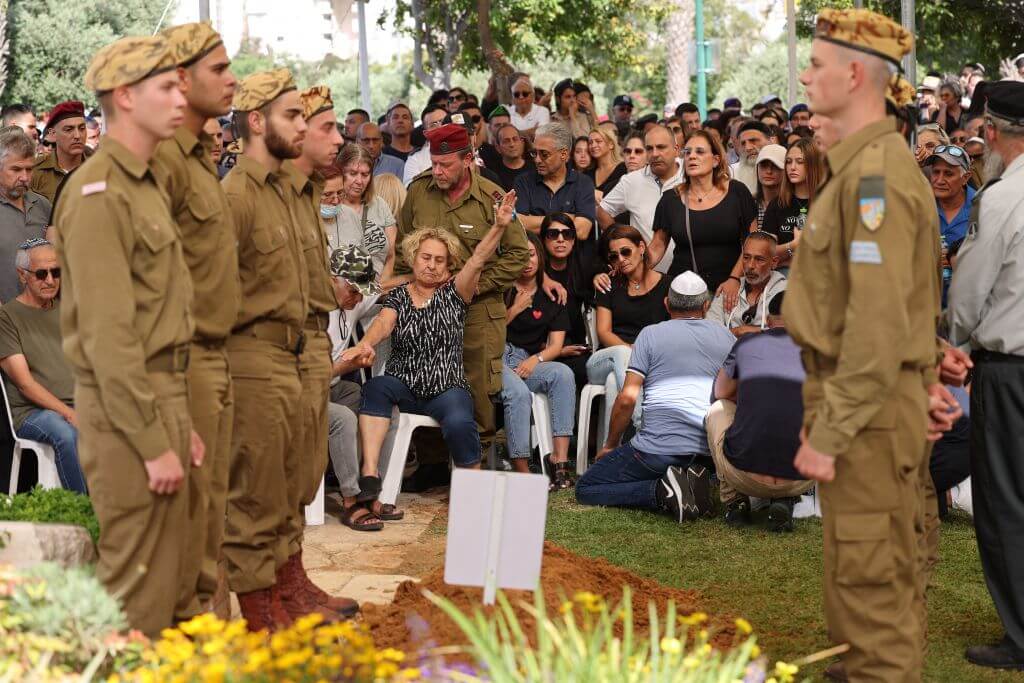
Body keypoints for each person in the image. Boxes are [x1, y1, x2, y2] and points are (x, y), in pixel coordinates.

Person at [787, 10, 953, 680]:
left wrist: (830, 431)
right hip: (879, 405)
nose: (806, 74)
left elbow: (876, 323)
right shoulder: (864, 170)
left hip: (867, 414)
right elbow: (906, 303)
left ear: (854, 75)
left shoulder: (875, 177)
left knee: (873, 613)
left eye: (818, 65)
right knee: (865, 598)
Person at [53, 34, 199, 638]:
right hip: (123, 412)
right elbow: (109, 337)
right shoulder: (97, 193)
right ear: (124, 96)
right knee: (134, 594)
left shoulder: (142, 184)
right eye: (165, 87)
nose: (179, 98)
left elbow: (153, 318)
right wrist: (149, 438)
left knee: (169, 585)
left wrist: (178, 422)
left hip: (158, 394)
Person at [221, 69, 330, 631]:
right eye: (293, 115)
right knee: (256, 492)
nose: (303, 125)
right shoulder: (236, 197)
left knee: (288, 480)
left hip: (289, 350)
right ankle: (262, 616)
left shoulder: (281, 193)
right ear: (258, 121)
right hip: (250, 356)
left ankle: (287, 592)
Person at [150, 22, 241, 622]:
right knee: (184, 531)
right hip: (179, 366)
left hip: (214, 356)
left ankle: (212, 636)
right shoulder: (161, 163)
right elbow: (144, 296)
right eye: (219, 69)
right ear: (181, 80)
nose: (233, 80)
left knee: (213, 519)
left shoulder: (196, 160)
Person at [343, 196, 517, 502]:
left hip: (445, 386)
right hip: (404, 383)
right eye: (426, 258)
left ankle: (470, 493)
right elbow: (384, 323)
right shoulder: (398, 295)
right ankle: (370, 474)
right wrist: (366, 343)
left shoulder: (455, 292)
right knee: (375, 388)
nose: (432, 265)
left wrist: (499, 227)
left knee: (462, 421)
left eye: (439, 260)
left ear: (449, 266)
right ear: (413, 258)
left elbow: (477, 259)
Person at [393, 123, 529, 464]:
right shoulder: (419, 192)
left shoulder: (491, 198)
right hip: (425, 310)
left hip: (477, 312)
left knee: (479, 389)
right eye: (434, 163)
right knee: (423, 382)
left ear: (468, 159)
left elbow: (518, 254)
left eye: (446, 165)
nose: (437, 171)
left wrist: (475, 286)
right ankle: (433, 465)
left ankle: (474, 468)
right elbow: (401, 250)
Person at [948, 80, 1024, 672]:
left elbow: (969, 295)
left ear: (993, 134)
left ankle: (1021, 633)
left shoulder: (1000, 197)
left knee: (1005, 502)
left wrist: (950, 345)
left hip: (1010, 371)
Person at [281, 83, 357, 621]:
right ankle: (272, 597)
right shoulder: (251, 193)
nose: (340, 138)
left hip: (310, 347)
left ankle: (293, 582)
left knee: (302, 480)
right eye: (327, 128)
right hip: (273, 356)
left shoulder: (308, 194)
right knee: (274, 487)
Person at [575, 271, 734, 521]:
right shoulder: (726, 336)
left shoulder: (650, 335)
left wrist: (610, 445)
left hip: (656, 452)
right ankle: (693, 481)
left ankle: (662, 491)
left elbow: (627, 399)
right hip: (707, 453)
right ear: (705, 306)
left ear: (667, 304)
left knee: (586, 488)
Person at [706, 291, 812, 531]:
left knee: (717, 409)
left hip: (744, 475)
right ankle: (785, 499)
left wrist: (750, 395)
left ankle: (735, 503)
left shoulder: (746, 343)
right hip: (803, 478)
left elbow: (720, 392)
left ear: (767, 317)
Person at [0, 239, 82, 493]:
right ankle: (82, 512)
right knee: (67, 434)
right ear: (22, 275)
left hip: (76, 403)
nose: (50, 280)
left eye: (56, 272)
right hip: (32, 412)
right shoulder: (7, 317)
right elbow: (25, 385)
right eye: (41, 273)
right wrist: (69, 414)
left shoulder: (67, 311)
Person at [501, 233, 576, 486]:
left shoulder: (553, 294)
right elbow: (487, 333)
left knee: (563, 374)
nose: (527, 261)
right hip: (497, 357)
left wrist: (537, 358)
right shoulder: (501, 287)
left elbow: (556, 345)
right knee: (518, 394)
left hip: (527, 359)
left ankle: (560, 461)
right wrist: (515, 309)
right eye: (520, 254)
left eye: (531, 254)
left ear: (539, 256)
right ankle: (521, 468)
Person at [650, 129, 758, 292]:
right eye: (687, 152)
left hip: (728, 288)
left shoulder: (737, 192)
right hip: (685, 291)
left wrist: (734, 278)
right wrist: (632, 266)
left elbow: (752, 242)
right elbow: (657, 246)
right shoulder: (670, 199)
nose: (692, 156)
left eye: (700, 152)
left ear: (715, 160)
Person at [587, 225, 670, 433]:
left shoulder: (667, 284)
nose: (621, 259)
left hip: (650, 362)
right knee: (622, 355)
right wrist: (633, 352)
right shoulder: (609, 284)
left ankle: (608, 451)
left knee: (615, 381)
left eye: (626, 251)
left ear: (641, 247)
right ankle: (645, 428)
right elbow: (604, 332)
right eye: (614, 256)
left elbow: (673, 330)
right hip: (607, 357)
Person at [597, 126, 683, 261]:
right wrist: (624, 242)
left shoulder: (690, 173)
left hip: (689, 272)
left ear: (676, 150)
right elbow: (602, 212)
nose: (655, 154)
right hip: (647, 274)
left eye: (661, 147)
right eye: (649, 148)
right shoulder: (631, 181)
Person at [514, 122, 596, 240]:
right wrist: (567, 218)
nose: (537, 160)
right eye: (534, 153)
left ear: (563, 154)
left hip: (574, 257)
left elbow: (582, 231)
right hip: (536, 256)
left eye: (544, 154)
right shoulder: (523, 181)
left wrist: (533, 220)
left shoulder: (583, 183)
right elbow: (518, 224)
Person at [540, 213, 591, 389]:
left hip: (576, 348)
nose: (560, 239)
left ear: (574, 240)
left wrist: (600, 274)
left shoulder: (582, 268)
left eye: (567, 234)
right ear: (543, 240)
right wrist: (558, 351)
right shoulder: (534, 274)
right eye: (553, 234)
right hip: (541, 351)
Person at [0, 127, 50, 303]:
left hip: (42, 317)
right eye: (16, 169)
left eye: (29, 169)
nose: (24, 177)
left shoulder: (43, 205)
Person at [706, 231, 786, 336]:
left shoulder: (786, 292)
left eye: (759, 259)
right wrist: (738, 331)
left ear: (774, 262)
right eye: (746, 257)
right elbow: (710, 333)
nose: (750, 265)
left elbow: (788, 334)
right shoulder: (729, 289)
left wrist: (743, 331)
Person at [761, 138, 825, 268]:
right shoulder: (777, 204)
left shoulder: (827, 201)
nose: (792, 167)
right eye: (788, 162)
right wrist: (793, 246)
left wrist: (785, 257)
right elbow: (765, 252)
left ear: (813, 165)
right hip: (783, 279)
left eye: (800, 162)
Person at [30, 101, 90, 203]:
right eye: (68, 129)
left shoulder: (99, 168)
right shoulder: (35, 171)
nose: (77, 136)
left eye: (82, 128)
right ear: (53, 134)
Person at [928, 145, 975, 246]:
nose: (940, 181)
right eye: (936, 172)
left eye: (948, 174)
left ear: (965, 178)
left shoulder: (982, 207)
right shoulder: (921, 205)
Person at [401, 104, 447, 186]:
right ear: (426, 132)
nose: (440, 127)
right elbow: (411, 191)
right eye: (433, 125)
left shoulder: (465, 149)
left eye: (443, 122)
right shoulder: (415, 160)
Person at [729, 121, 771, 195]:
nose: (747, 148)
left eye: (753, 141)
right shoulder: (731, 173)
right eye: (743, 143)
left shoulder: (785, 168)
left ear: (770, 141)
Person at [586, 126, 626, 204]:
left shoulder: (624, 168)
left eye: (598, 141)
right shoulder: (588, 173)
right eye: (590, 142)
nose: (593, 145)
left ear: (611, 144)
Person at [490, 123, 533, 192]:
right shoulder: (493, 175)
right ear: (498, 147)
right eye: (506, 141)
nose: (512, 144)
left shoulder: (536, 169)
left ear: (522, 143)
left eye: (515, 139)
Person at [753, 144, 785, 229]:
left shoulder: (794, 204)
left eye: (775, 166)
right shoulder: (748, 203)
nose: (769, 171)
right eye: (763, 165)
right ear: (757, 168)